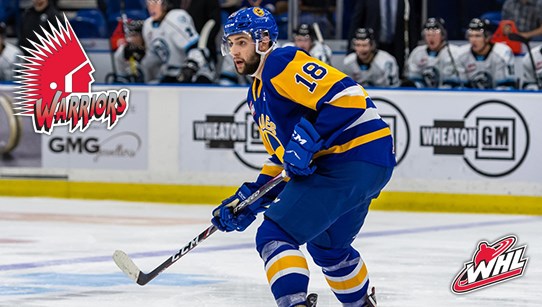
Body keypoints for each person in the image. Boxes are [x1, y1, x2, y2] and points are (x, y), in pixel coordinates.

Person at [212, 7, 395, 307]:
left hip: (348, 156)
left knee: (274, 233)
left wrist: (307, 137)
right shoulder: (256, 96)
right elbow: (282, 161)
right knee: (328, 248)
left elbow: (348, 97)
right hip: (371, 163)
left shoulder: (279, 62)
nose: (235, 51)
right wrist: (250, 199)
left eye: (241, 42)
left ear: (264, 39)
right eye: (230, 43)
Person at [141, 0, 215, 83]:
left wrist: (191, 66)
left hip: (198, 71)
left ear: (165, 4)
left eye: (155, 2)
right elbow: (153, 59)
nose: (151, 7)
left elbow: (196, 48)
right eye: (148, 3)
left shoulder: (175, 18)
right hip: (172, 73)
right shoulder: (148, 26)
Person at [347, 0, 421, 76]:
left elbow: (412, 26)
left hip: (397, 49)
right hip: (372, 49)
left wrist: (413, 52)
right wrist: (350, 50)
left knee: (396, 78)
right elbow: (356, 22)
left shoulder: (406, 1)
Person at [456, 18, 517, 90]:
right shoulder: (461, 54)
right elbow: (460, 88)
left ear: (488, 38)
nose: (473, 40)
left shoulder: (502, 53)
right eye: (470, 36)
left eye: (477, 36)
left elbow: (505, 88)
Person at [406, 17, 462, 88]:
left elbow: (458, 82)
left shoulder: (454, 52)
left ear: (442, 35)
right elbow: (414, 80)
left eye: (434, 34)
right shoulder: (417, 53)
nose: (431, 38)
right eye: (428, 35)